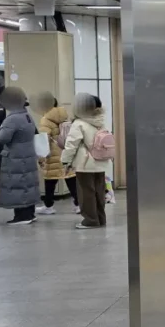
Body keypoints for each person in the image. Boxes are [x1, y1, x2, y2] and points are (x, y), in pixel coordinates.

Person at [62, 94, 109, 229]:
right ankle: (100, 218)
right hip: (100, 161)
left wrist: (65, 161)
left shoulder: (79, 123)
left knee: (86, 192)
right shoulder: (100, 121)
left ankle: (90, 220)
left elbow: (71, 144)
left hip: (85, 163)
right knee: (99, 192)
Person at [0, 87, 40, 225]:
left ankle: (22, 216)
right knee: (27, 184)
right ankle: (30, 213)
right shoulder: (26, 115)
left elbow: (2, 138)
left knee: (17, 185)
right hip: (27, 154)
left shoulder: (12, 119)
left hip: (15, 157)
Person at [33, 92, 78, 216]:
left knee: (50, 181)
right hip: (65, 151)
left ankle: (49, 206)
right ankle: (78, 204)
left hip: (52, 154)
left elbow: (44, 139)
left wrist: (41, 157)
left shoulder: (45, 119)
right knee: (71, 179)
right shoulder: (64, 115)